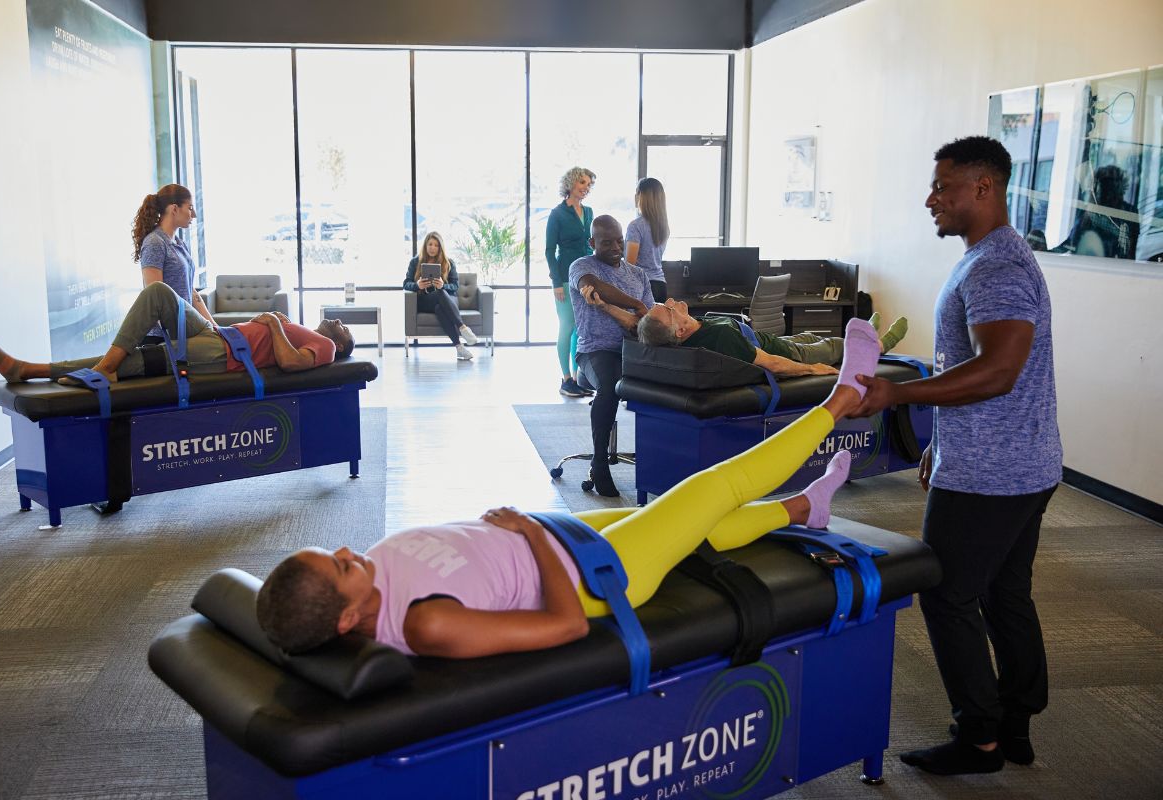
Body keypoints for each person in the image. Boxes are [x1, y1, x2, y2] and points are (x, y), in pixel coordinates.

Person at [256, 317, 884, 658]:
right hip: (601, 579)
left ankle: (802, 508)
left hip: (566, 537)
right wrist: (529, 532)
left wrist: (531, 532)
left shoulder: (372, 574)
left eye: (333, 551)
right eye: (341, 566)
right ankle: (842, 399)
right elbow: (565, 628)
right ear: (347, 619)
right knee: (714, 488)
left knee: (701, 527)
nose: (349, 551)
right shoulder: (426, 626)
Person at [852, 136, 1062, 776]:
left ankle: (980, 739)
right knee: (1005, 594)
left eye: (943, 187)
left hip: (989, 476)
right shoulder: (995, 257)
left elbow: (997, 371)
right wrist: (939, 442)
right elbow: (985, 369)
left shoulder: (996, 268)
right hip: (1024, 463)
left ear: (983, 187)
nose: (930, 199)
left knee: (946, 595)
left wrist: (896, 394)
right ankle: (1016, 724)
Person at [0, 281, 354, 384]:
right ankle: (106, 367)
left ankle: (29, 370)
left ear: (339, 345)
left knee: (137, 361)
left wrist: (273, 323)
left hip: (223, 356)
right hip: (219, 335)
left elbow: (290, 364)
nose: (338, 321)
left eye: (343, 328)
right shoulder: (312, 333)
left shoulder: (325, 347)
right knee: (158, 293)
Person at [569, 215, 655, 498]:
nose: (616, 247)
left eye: (619, 241)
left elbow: (649, 321)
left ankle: (663, 458)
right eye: (607, 243)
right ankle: (600, 461)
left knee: (671, 381)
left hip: (635, 350)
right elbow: (596, 287)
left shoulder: (638, 275)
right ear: (592, 242)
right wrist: (635, 304)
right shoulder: (582, 267)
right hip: (595, 351)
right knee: (610, 385)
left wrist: (637, 312)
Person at [637, 299, 909, 377]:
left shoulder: (694, 328)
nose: (671, 302)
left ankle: (867, 335)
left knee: (810, 335)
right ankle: (878, 345)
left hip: (775, 340)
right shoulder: (719, 338)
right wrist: (813, 369)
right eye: (668, 309)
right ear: (679, 332)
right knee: (832, 346)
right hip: (783, 353)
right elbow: (772, 364)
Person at [132, 184, 215, 344]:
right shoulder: (155, 242)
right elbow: (155, 296)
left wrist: (213, 326)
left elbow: (190, 291)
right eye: (190, 208)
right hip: (161, 337)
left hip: (181, 332)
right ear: (174, 209)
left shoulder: (179, 243)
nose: (194, 214)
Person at [546, 167, 597, 398]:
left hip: (585, 276)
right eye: (582, 183)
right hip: (565, 278)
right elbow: (549, 251)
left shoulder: (589, 212)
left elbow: (590, 245)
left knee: (579, 327)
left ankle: (576, 379)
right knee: (567, 326)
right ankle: (565, 379)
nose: (586, 187)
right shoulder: (557, 214)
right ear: (571, 183)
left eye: (589, 184)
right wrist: (556, 282)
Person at [403, 232, 479, 361]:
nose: (432, 248)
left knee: (439, 305)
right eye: (430, 244)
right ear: (425, 245)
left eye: (436, 245)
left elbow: (455, 286)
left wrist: (443, 285)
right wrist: (417, 285)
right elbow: (406, 284)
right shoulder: (415, 261)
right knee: (439, 293)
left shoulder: (449, 262)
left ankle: (459, 348)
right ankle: (463, 328)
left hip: (446, 299)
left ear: (440, 247)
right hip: (425, 300)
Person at [625, 177, 670, 303]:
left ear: (641, 196)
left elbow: (630, 265)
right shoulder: (663, 226)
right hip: (661, 285)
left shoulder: (635, 226)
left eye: (637, 192)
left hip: (643, 286)